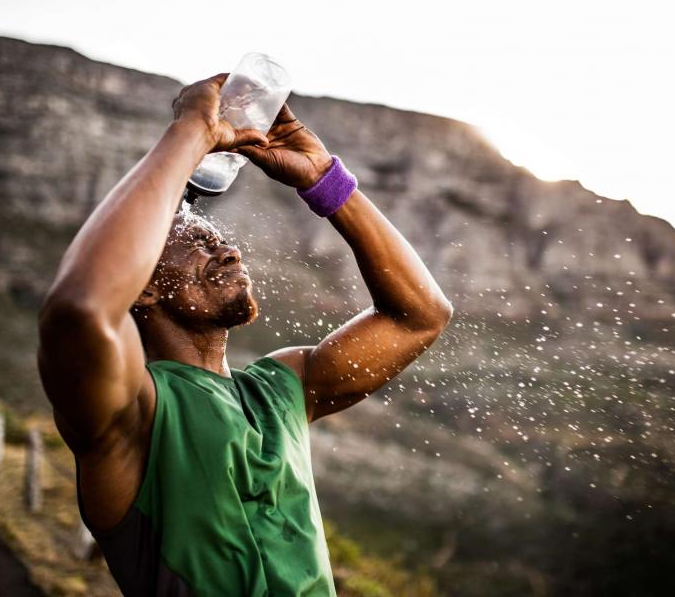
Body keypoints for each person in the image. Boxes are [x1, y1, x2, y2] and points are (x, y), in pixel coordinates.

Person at [37, 73, 453, 596]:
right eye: (197, 244)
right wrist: (193, 129)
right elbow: (80, 309)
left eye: (221, 239)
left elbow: (420, 316)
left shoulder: (284, 387)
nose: (229, 251)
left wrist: (323, 178)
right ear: (142, 289)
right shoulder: (131, 410)